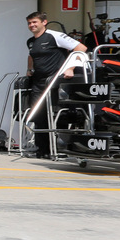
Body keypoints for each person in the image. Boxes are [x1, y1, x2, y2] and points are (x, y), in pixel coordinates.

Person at [25, 10, 86, 157]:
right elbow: (31, 55)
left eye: (35, 22)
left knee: (58, 114)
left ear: (44, 22)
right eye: (29, 23)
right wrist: (29, 69)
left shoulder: (54, 36)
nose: (32, 25)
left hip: (55, 81)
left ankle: (59, 147)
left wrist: (70, 68)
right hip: (38, 82)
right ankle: (42, 149)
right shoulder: (31, 41)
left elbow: (81, 49)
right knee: (38, 115)